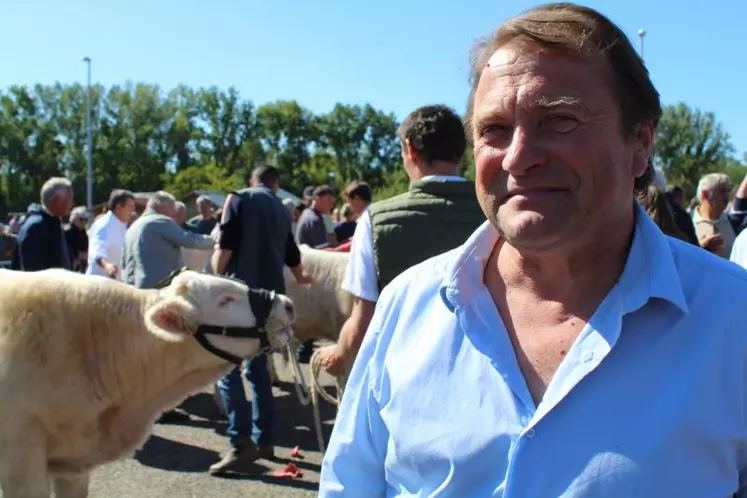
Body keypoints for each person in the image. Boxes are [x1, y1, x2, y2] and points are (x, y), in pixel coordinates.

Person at [319, 4, 747, 496]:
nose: (519, 157)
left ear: (641, 142)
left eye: (559, 120)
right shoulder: (407, 308)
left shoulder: (731, 322)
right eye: (494, 130)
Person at [316, 104, 485, 375]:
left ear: (410, 149)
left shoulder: (374, 220)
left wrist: (338, 352)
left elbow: (363, 320)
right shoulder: (495, 213)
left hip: (406, 378)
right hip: (487, 376)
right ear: (463, 150)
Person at [209, 165, 312, 475]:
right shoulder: (283, 210)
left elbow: (224, 250)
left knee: (227, 368)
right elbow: (292, 254)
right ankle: (264, 439)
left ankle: (240, 442)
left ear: (251, 180)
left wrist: (214, 274)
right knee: (258, 370)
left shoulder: (238, 199)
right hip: (272, 302)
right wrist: (301, 277)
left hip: (241, 298)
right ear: (276, 184)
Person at [11, 177, 74, 271]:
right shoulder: (37, 227)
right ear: (57, 201)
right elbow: (33, 273)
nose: (72, 203)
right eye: (69, 199)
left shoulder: (51, 223)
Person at [86, 189, 136, 280]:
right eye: (130, 206)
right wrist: (107, 265)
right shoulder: (104, 224)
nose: (133, 211)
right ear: (118, 207)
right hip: (98, 283)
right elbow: (97, 249)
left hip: (115, 283)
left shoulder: (122, 225)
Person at [65, 206, 90, 272]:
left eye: (86, 220)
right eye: (81, 219)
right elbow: (66, 250)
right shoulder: (66, 232)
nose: (84, 222)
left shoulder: (84, 234)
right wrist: (78, 255)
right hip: (68, 267)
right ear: (74, 218)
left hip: (81, 268)